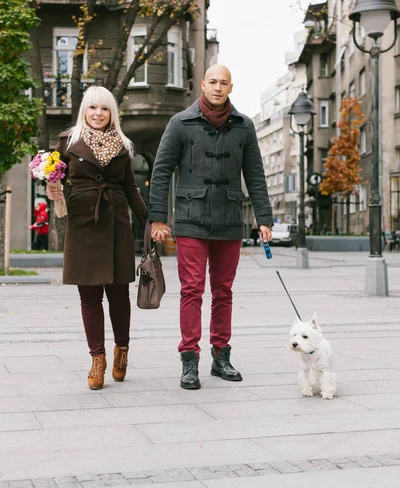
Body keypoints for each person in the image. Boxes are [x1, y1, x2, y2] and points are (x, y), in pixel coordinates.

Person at [149, 64, 273, 390]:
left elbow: (256, 175)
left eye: (224, 83)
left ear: (231, 87)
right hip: (190, 219)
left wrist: (264, 219)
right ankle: (189, 359)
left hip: (230, 220)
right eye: (213, 82)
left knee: (224, 292)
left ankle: (222, 357)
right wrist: (158, 218)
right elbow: (161, 172)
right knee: (191, 290)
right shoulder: (180, 123)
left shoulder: (244, 126)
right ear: (203, 84)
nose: (218, 87)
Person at [47, 86, 147, 390]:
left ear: (111, 112)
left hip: (116, 223)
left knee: (119, 294)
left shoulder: (123, 144)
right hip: (82, 223)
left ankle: (122, 351)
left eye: (104, 109)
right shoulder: (68, 141)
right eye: (93, 108)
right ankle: (97, 359)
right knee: (88, 296)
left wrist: (150, 222)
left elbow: (130, 187)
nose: (98, 114)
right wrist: (51, 184)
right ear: (84, 110)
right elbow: (55, 178)